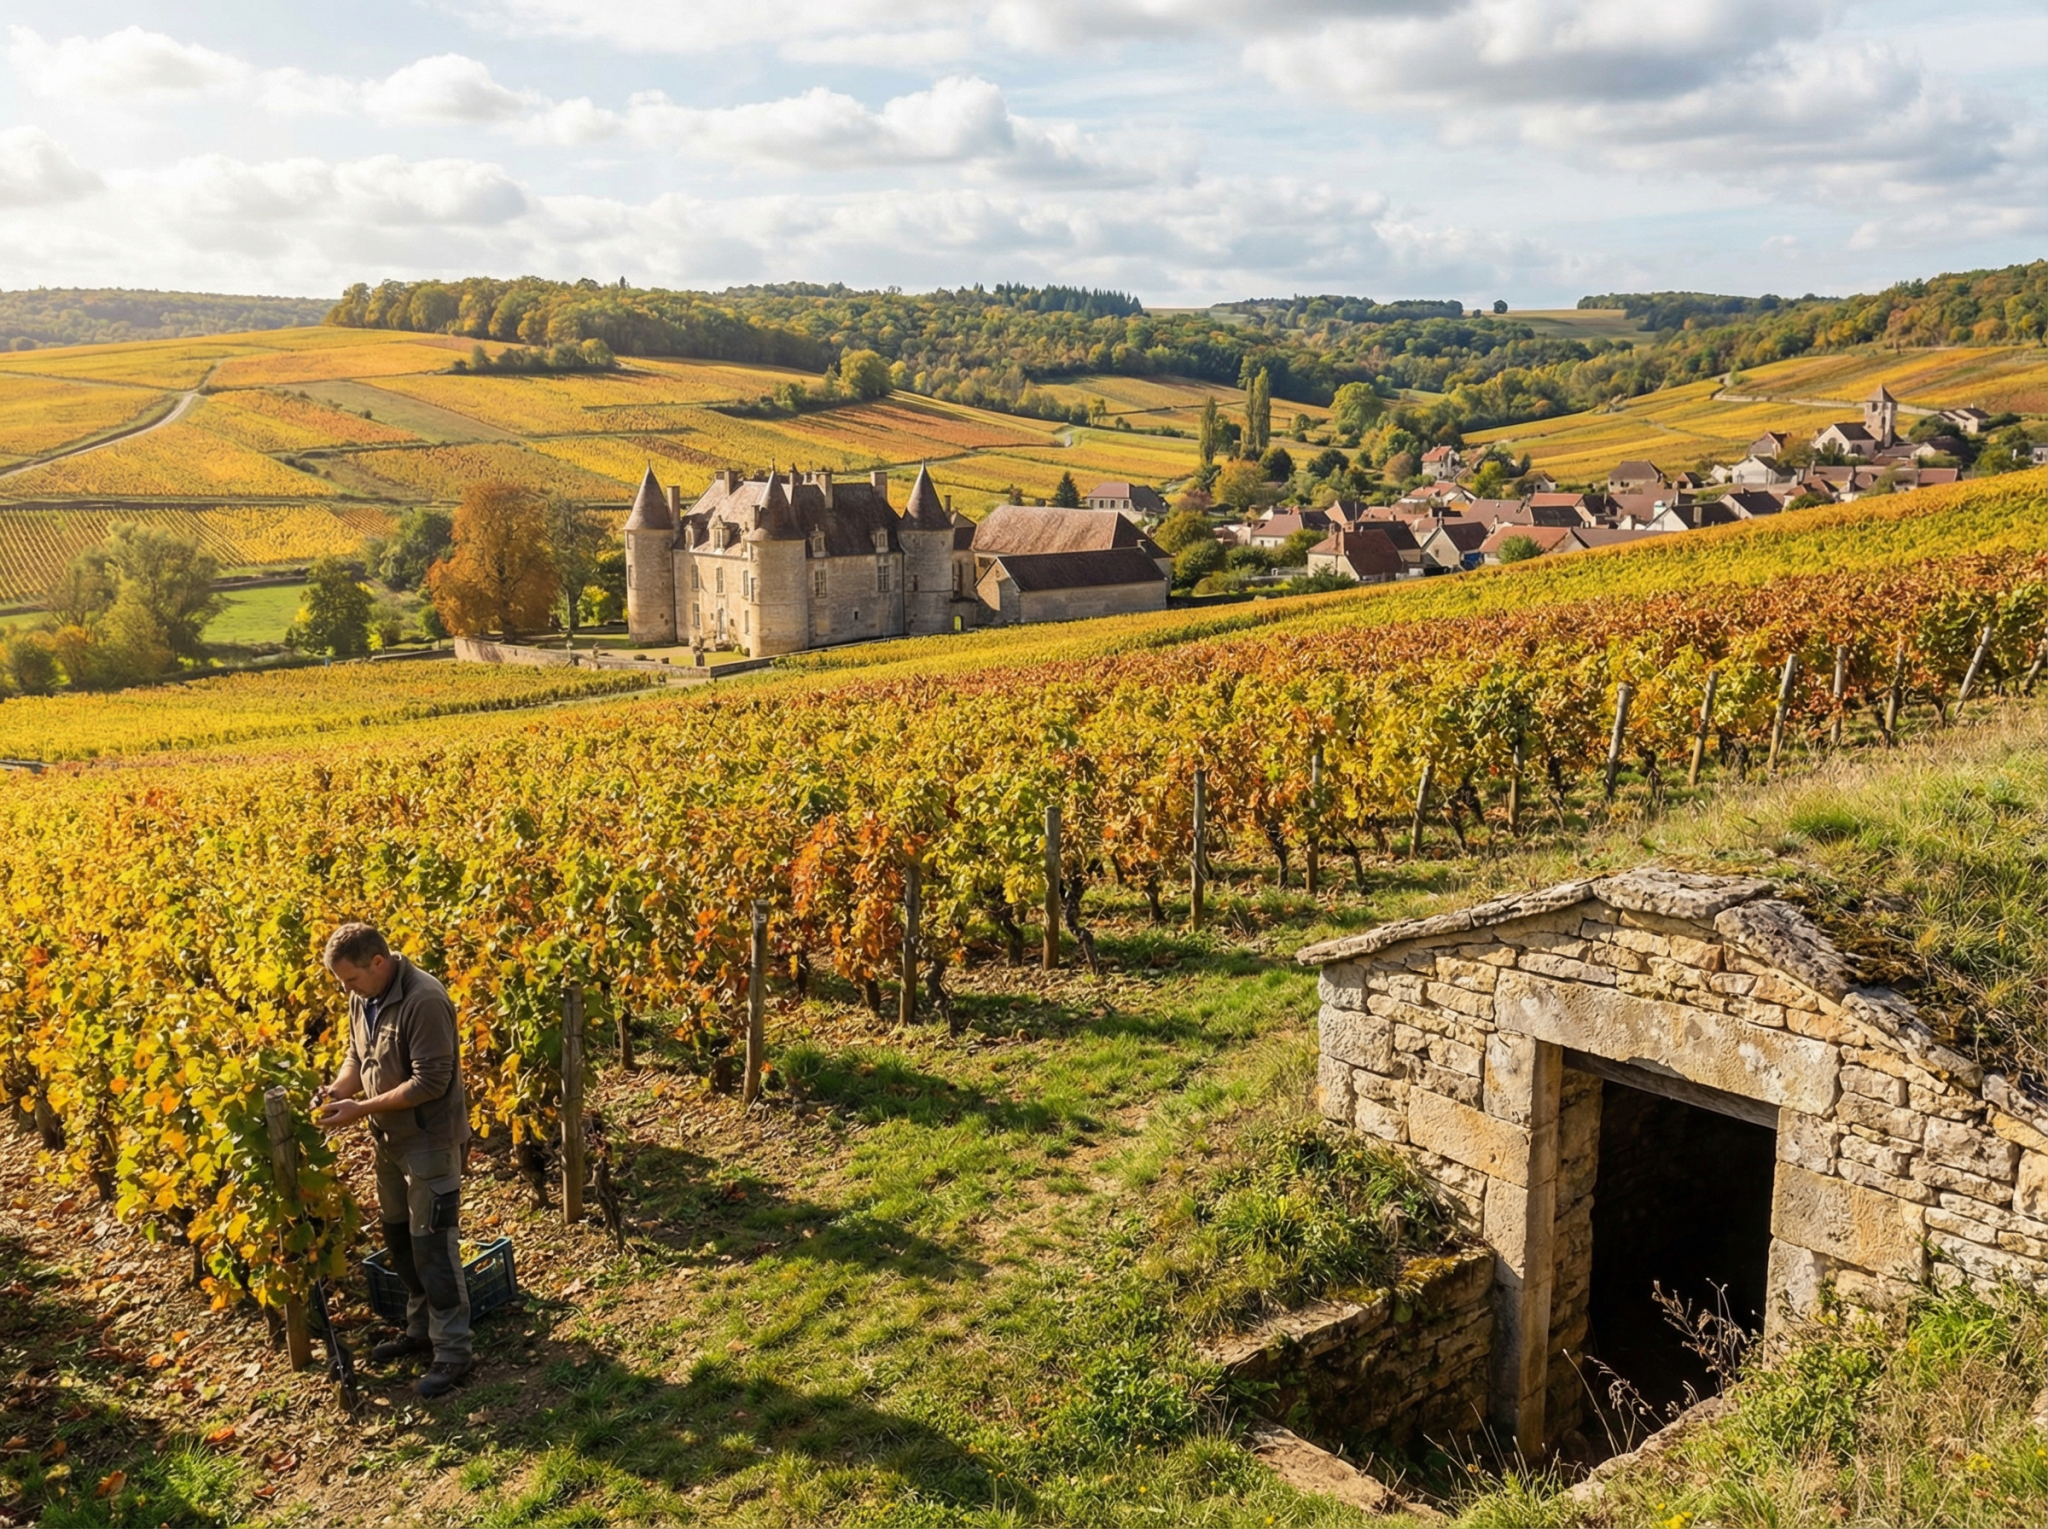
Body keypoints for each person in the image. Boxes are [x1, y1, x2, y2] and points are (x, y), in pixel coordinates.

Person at [314, 923, 472, 1398]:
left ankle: (453, 1351)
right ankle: (419, 1330)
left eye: (351, 980)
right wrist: (340, 1090)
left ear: (378, 963)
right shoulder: (364, 995)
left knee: (433, 1245)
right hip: (388, 1138)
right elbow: (357, 1055)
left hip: (428, 1140)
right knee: (399, 1238)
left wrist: (360, 1108)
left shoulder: (424, 1000)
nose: (347, 989)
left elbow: (430, 1083)